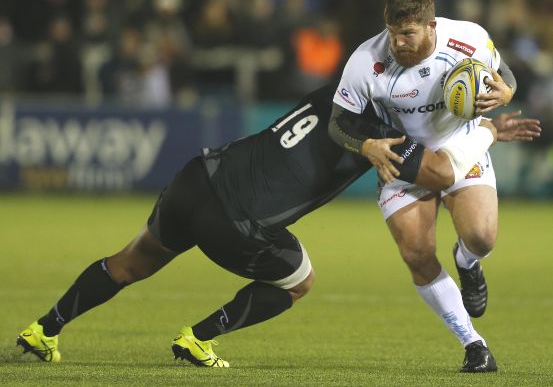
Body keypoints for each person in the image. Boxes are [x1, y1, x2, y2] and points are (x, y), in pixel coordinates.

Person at [16, 83, 537, 368]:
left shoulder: (334, 94)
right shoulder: (382, 131)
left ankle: (44, 328)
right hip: (239, 218)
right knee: (299, 280)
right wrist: (486, 130)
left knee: (130, 262)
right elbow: (442, 171)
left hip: (199, 177)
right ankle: (199, 338)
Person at [330, 0, 541, 373]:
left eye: (407, 33)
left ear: (430, 26)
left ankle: (467, 261)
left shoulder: (468, 37)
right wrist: (366, 146)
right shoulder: (365, 61)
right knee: (416, 254)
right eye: (392, 32)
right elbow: (338, 124)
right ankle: (473, 344)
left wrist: (507, 91)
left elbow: (502, 70)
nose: (397, 42)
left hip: (461, 145)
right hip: (405, 156)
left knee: (481, 237)